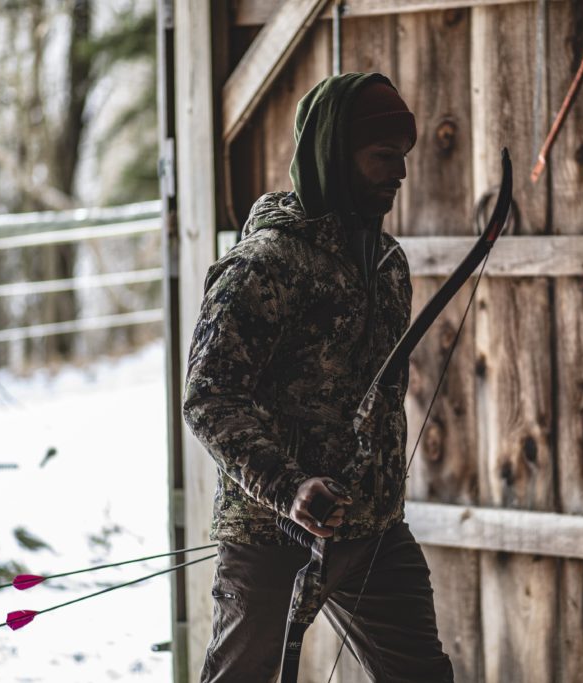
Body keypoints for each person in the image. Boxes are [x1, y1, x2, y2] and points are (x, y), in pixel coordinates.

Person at [183, 72, 455, 682]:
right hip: (269, 533)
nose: (400, 173)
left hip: (372, 527)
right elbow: (208, 399)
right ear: (337, 155)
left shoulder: (388, 264)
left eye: (403, 157)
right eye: (384, 156)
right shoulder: (264, 266)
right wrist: (288, 487)